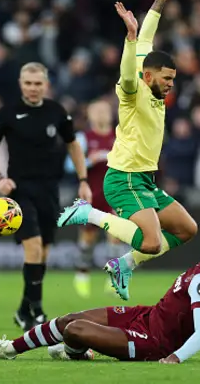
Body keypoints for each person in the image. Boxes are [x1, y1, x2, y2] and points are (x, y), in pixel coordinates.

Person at [57, 0, 198, 300]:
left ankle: (123, 265)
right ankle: (87, 213)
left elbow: (147, 36)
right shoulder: (133, 89)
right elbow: (129, 73)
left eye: (174, 79)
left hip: (144, 180)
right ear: (149, 75)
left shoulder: (148, 70)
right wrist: (130, 39)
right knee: (150, 241)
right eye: (166, 79)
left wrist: (159, 3)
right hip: (124, 178)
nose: (170, 84)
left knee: (186, 229)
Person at [0, 229, 200, 364]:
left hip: (153, 342)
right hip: (146, 316)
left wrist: (175, 358)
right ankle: (10, 349)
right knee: (73, 318)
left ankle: (73, 349)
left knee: (74, 329)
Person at [0, 62, 92, 332]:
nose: (32, 88)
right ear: (21, 83)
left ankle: (22, 309)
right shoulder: (8, 113)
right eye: (28, 83)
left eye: (38, 83)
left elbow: (74, 145)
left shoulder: (57, 112)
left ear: (46, 85)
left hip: (49, 190)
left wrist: (83, 180)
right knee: (33, 247)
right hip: (20, 191)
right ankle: (39, 312)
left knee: (42, 253)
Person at [65, 99, 125, 298]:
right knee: (88, 239)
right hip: (91, 194)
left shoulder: (120, 136)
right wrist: (90, 160)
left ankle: (113, 278)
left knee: (114, 236)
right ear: (89, 115)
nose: (100, 114)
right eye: (96, 111)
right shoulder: (83, 138)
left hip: (114, 194)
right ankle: (82, 274)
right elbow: (68, 165)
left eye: (104, 111)